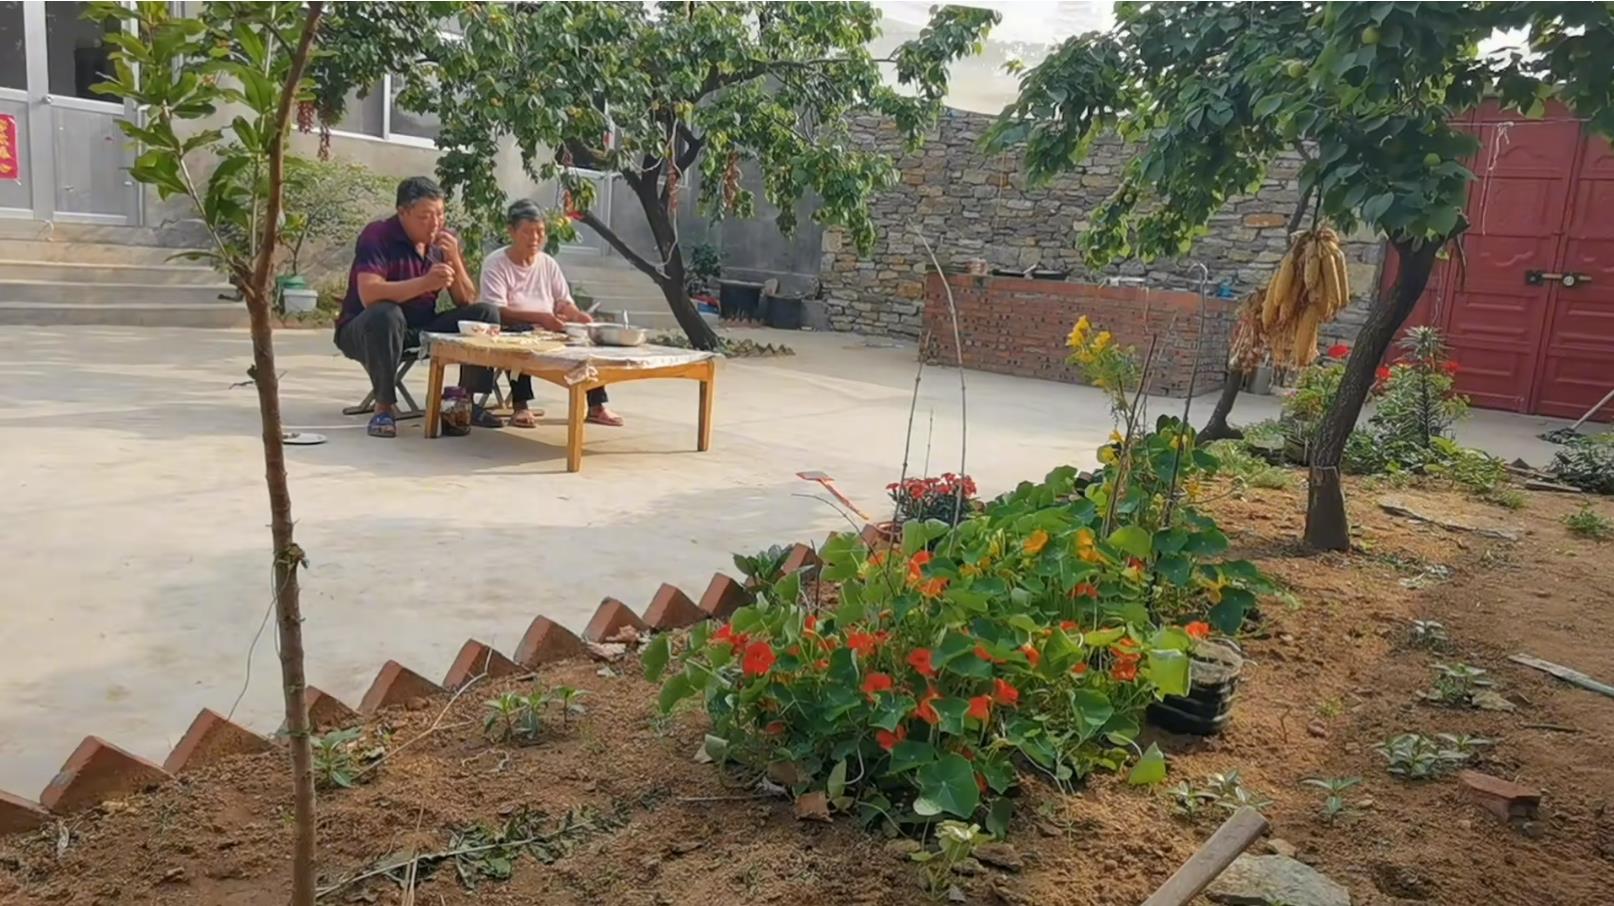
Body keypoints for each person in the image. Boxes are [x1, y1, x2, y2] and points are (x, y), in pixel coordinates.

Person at [335, 176, 504, 437]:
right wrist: (424, 283)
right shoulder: (378, 235)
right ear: (403, 212)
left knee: (485, 313)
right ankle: (383, 408)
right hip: (368, 328)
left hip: (420, 327)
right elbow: (370, 294)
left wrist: (454, 259)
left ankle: (465, 401)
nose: (435, 223)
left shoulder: (442, 242)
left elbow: (467, 300)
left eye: (440, 214)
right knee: (386, 313)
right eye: (425, 216)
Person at [478, 199, 624, 428]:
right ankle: (520, 405)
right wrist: (542, 318)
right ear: (512, 232)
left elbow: (563, 302)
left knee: (585, 341)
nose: (535, 238)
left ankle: (597, 405)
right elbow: (497, 311)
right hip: (511, 328)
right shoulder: (496, 263)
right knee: (520, 339)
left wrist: (578, 316)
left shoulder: (547, 263)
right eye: (527, 232)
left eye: (540, 232)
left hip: (549, 329)